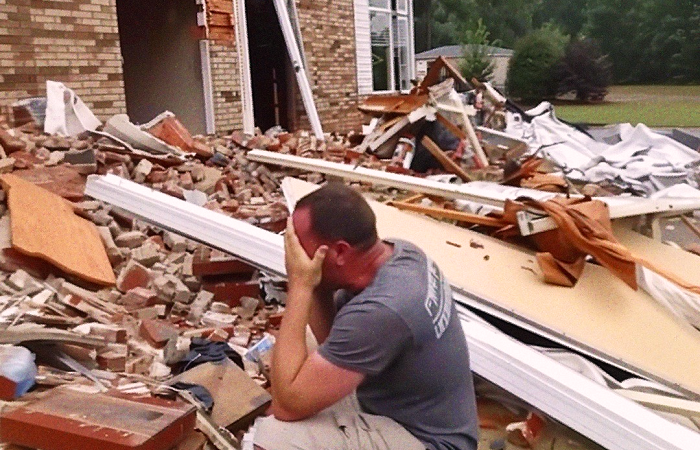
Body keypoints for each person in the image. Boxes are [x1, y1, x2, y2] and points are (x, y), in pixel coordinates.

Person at [253, 182, 479, 450]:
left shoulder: (384, 310)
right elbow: (336, 339)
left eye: (300, 247)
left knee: (275, 438)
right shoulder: (400, 254)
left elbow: (286, 407)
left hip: (432, 442)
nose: (296, 255)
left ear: (339, 252)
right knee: (304, 342)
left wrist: (300, 283)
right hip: (409, 410)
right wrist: (316, 285)